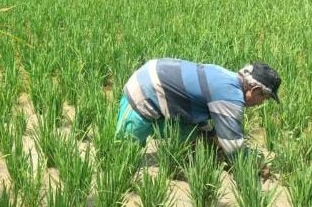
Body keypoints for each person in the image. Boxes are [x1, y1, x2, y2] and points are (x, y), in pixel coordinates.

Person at [116, 58, 281, 156]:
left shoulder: (226, 76)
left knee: (197, 133)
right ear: (256, 90)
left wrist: (211, 135)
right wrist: (254, 166)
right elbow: (233, 146)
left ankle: (180, 157)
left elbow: (201, 112)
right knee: (125, 154)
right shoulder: (231, 96)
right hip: (145, 89)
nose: (261, 103)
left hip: (159, 82)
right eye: (264, 98)